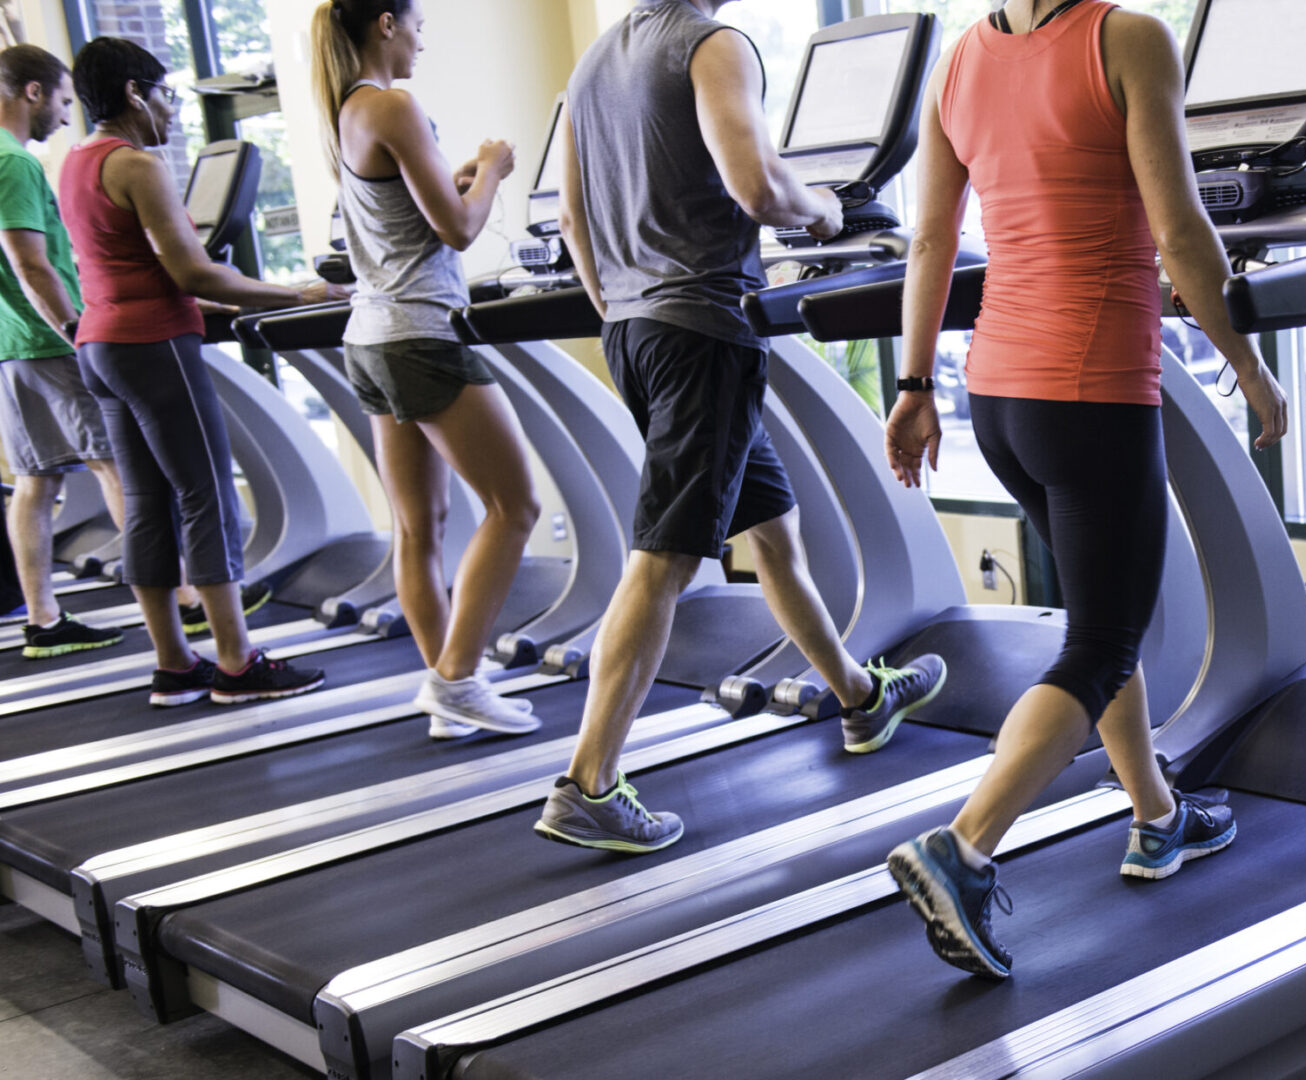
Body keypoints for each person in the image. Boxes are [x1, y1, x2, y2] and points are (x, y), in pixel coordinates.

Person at [884, 0, 1289, 979]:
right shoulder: (1130, 37)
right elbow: (1182, 227)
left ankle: (1158, 816)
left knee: (1098, 625)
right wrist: (1247, 364)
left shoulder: (960, 61)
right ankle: (965, 844)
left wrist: (911, 385)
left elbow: (932, 240)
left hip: (999, 399)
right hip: (1094, 388)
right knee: (1105, 642)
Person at [537, 0, 948, 855]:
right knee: (666, 557)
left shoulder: (593, 64)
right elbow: (755, 185)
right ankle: (588, 783)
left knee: (774, 528)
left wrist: (624, 301)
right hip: (701, 331)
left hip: (635, 332)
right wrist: (828, 212)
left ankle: (858, 700)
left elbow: (573, 219)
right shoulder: (711, 44)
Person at [60, 36, 344, 706]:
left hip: (100, 346)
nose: (171, 110)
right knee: (206, 495)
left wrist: (213, 295)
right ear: (134, 92)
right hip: (153, 345)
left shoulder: (77, 162)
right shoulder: (136, 164)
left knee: (147, 504)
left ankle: (175, 665)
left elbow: (130, 265)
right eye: (164, 94)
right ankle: (238, 664)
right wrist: (297, 294)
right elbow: (189, 270)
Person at [312, 0, 544, 740]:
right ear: (385, 23)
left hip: (372, 339)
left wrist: (461, 173)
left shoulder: (346, 111)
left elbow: (412, 209)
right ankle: (456, 680)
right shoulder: (394, 104)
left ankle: (452, 690)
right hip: (420, 335)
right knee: (516, 508)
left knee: (419, 527)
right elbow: (459, 227)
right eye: (417, 26)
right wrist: (496, 172)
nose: (421, 42)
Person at [0, 43, 126, 658]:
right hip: (47, 339)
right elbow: (28, 260)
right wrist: (77, 332)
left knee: (35, 480)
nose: (64, 114)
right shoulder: (15, 162)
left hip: (10, 344)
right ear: (32, 92)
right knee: (115, 463)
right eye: (62, 100)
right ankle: (187, 599)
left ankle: (44, 621)